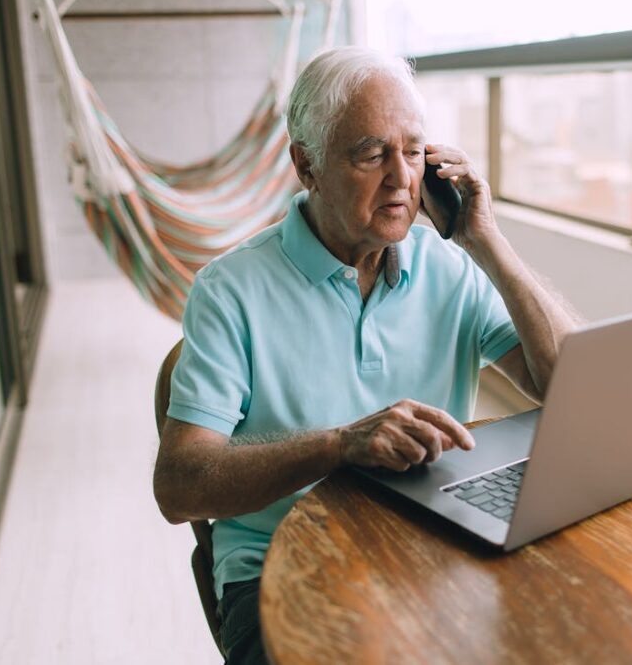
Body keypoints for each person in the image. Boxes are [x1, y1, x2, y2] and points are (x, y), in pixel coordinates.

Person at [153, 46, 580, 664]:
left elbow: (575, 389)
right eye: (371, 153)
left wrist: (487, 241)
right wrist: (340, 445)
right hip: (280, 568)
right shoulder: (230, 291)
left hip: (431, 544)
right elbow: (181, 487)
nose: (401, 178)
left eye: (412, 151)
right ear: (308, 166)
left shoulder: (451, 268)